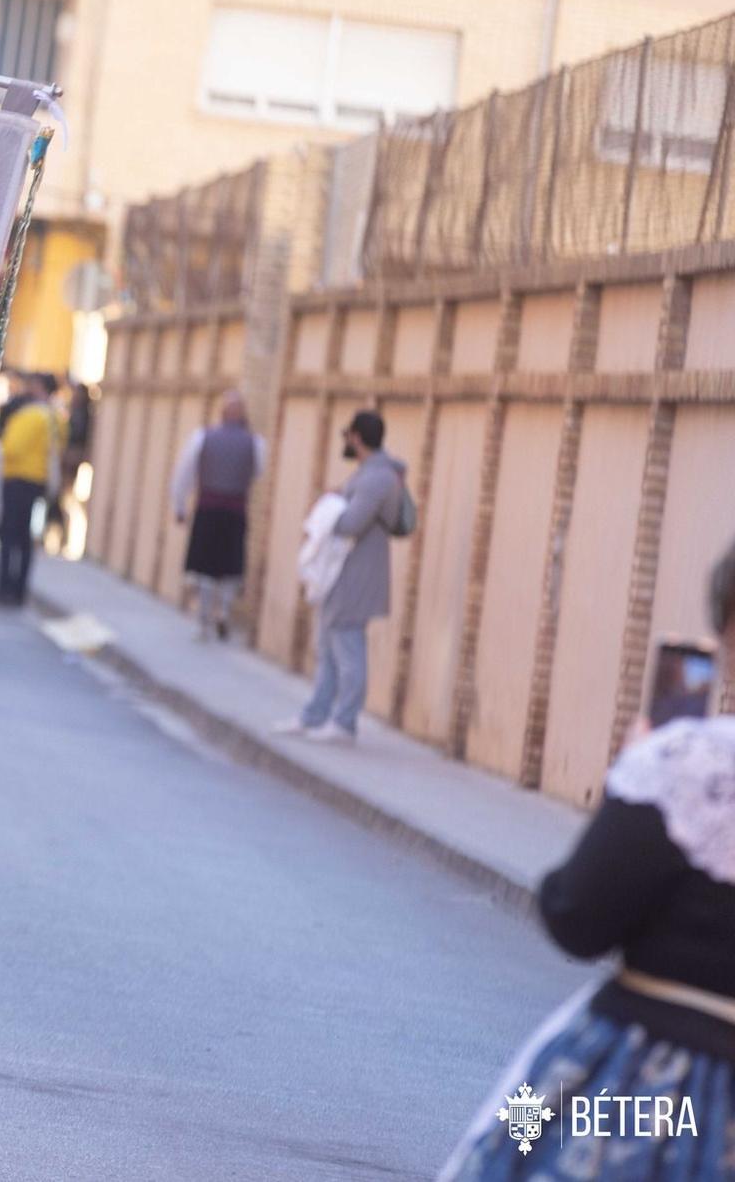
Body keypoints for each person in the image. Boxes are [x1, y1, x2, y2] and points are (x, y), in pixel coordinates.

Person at [439, 539, 735, 1180]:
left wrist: (636, 769)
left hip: (653, 1097)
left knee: (522, 1124)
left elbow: (580, 915)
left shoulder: (687, 762)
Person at [278, 409, 408, 744]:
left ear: (357, 437)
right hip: (342, 575)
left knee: (348, 652)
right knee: (328, 648)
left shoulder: (377, 478)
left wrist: (331, 505)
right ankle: (315, 715)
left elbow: (351, 523)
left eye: (347, 435)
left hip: (358, 576)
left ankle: (345, 722)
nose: (346, 442)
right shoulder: (369, 473)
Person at [170, 390, 267, 643]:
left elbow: (184, 473)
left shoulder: (205, 438)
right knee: (224, 568)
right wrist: (179, 503)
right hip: (232, 509)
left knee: (210, 568)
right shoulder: (253, 443)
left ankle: (209, 616)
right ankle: (217, 614)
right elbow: (258, 472)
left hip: (211, 507)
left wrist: (180, 505)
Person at [0, 374, 57, 606]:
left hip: (17, 480)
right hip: (38, 482)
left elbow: (10, 448)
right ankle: (20, 590)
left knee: (9, 537)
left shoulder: (29, 416)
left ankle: (5, 587)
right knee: (28, 539)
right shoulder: (54, 416)